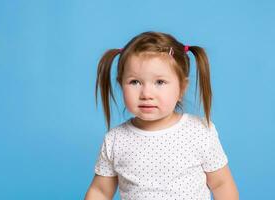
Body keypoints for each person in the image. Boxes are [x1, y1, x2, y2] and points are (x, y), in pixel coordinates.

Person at [85, 31, 239, 200]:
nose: (146, 93)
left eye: (160, 82)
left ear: (182, 88)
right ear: (121, 85)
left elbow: (221, 184)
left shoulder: (199, 132)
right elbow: (100, 191)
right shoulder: (115, 140)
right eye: (135, 82)